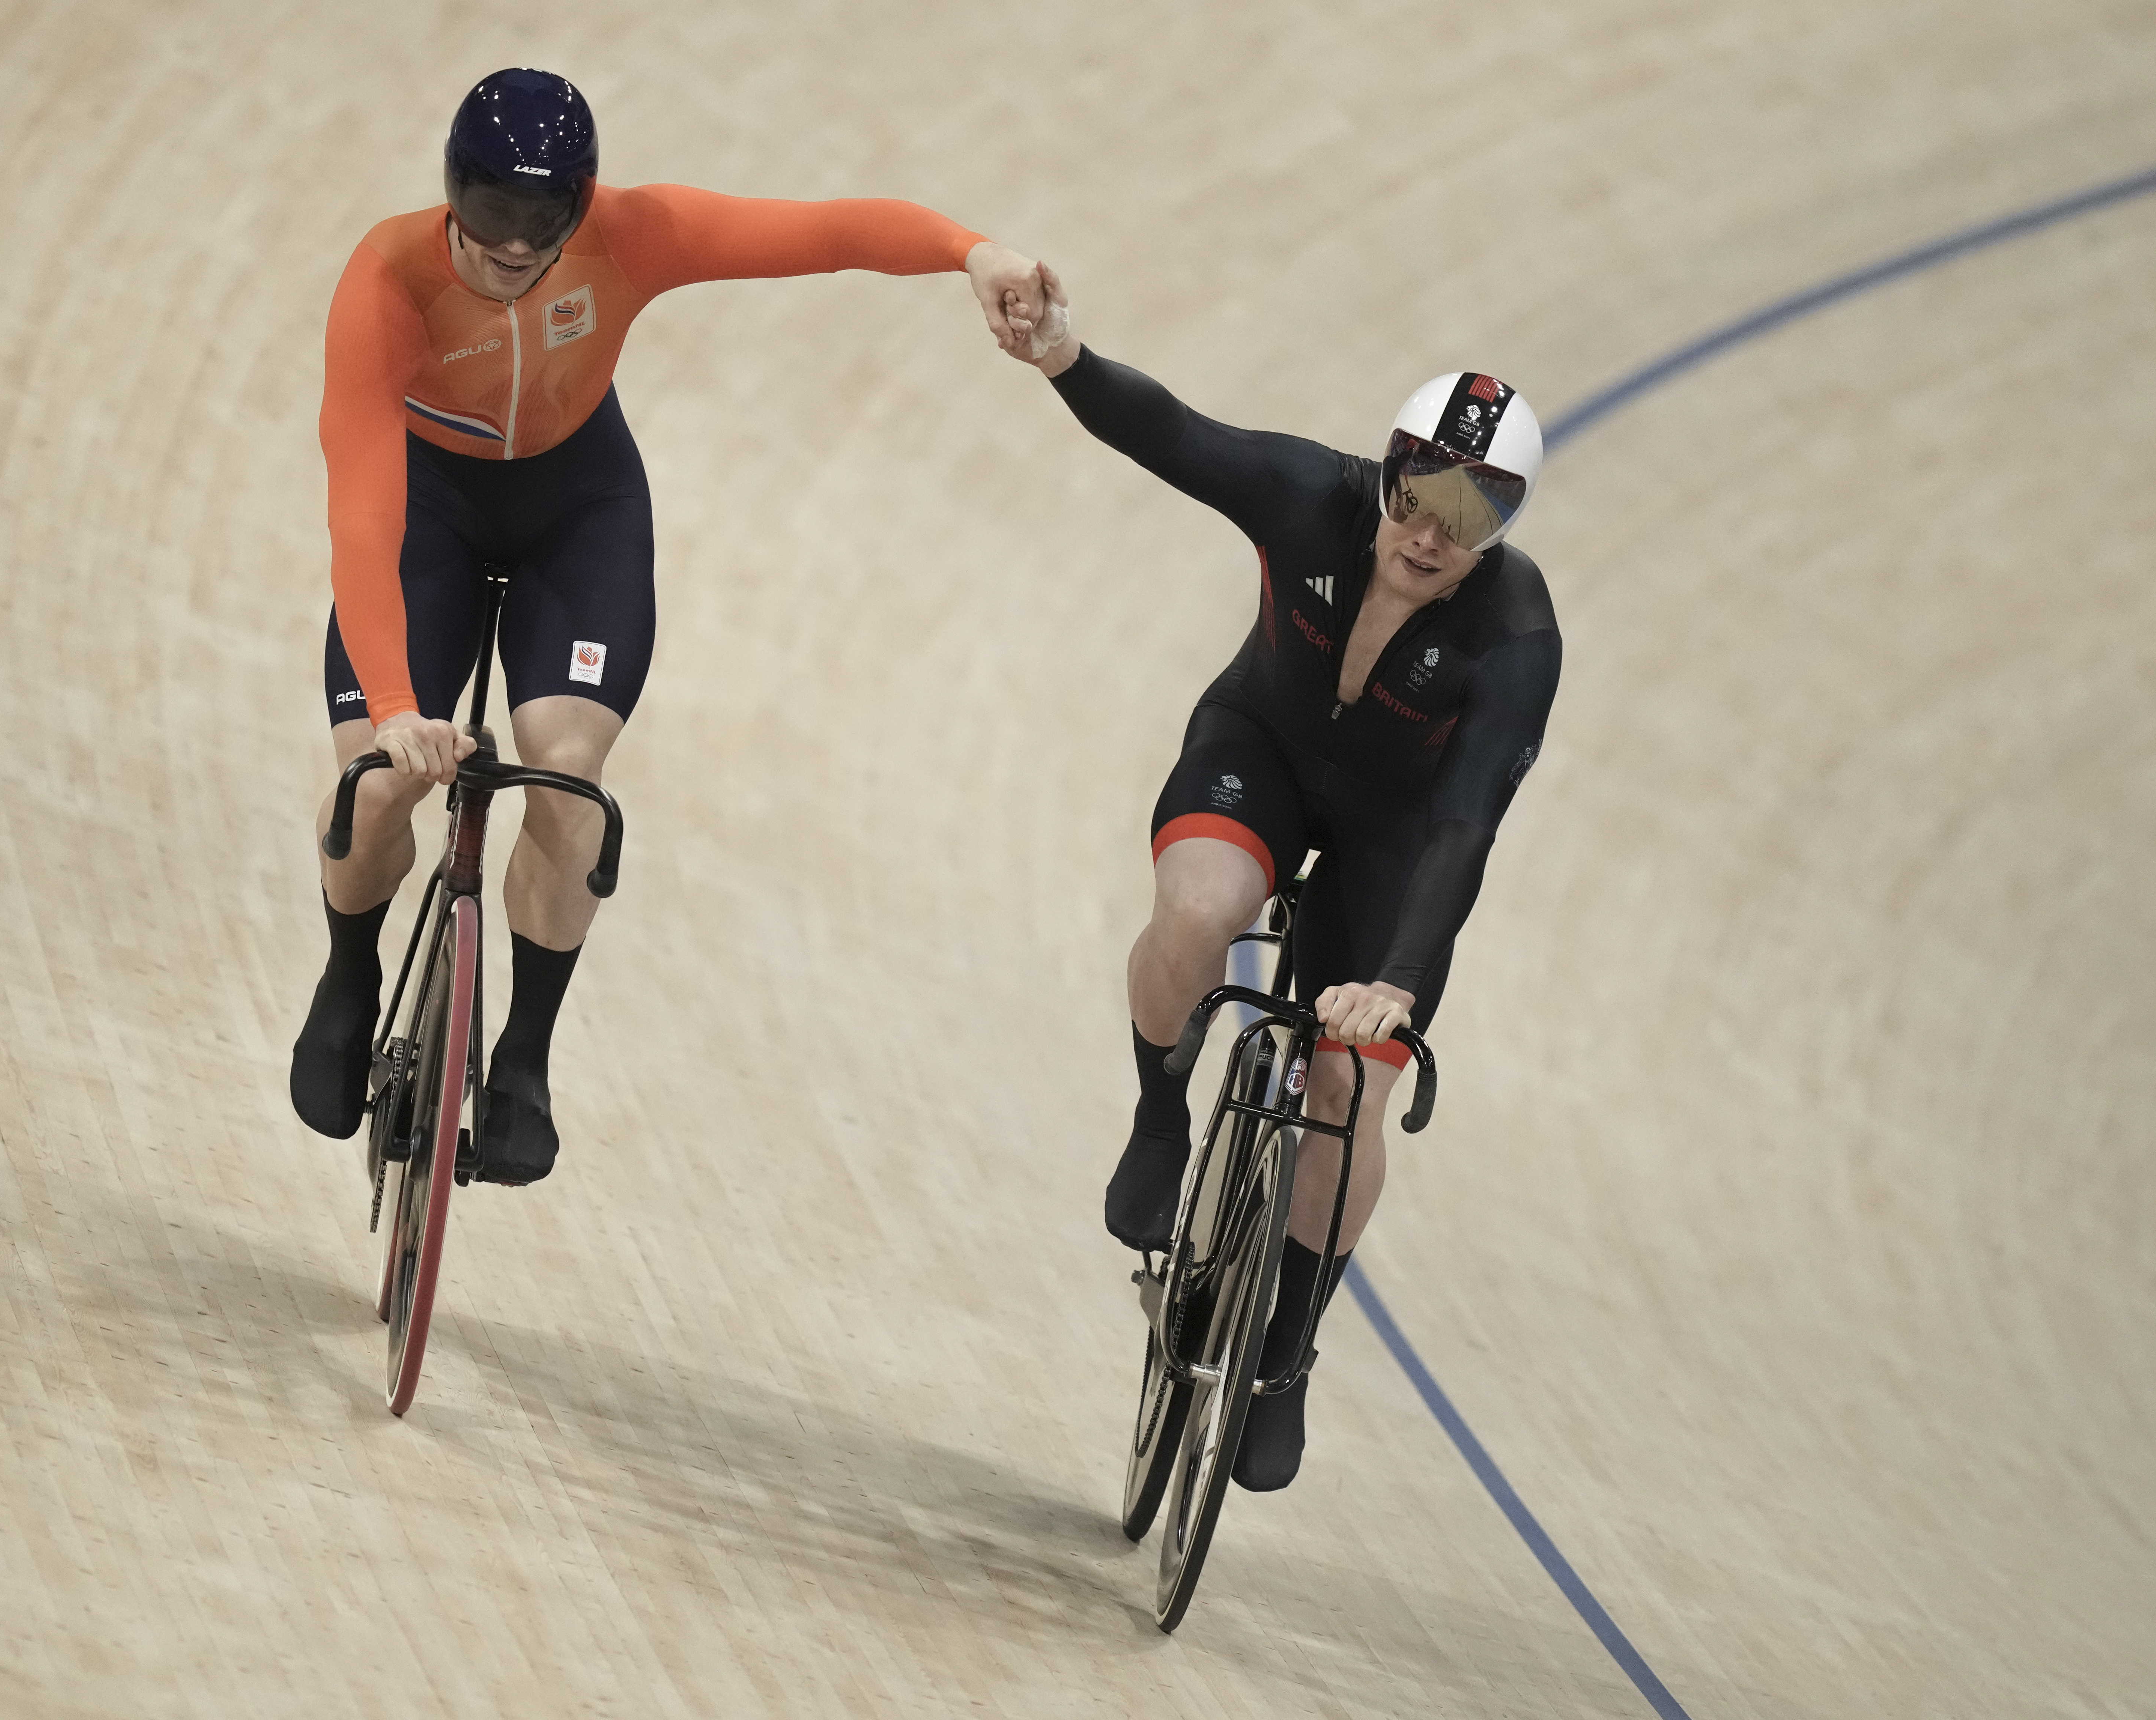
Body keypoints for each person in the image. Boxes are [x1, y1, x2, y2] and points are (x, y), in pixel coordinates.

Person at [293, 68, 1047, 1182]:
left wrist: (969, 250)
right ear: (453, 196)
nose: (514, 247)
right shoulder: (386, 280)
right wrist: (400, 713)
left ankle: (525, 1060)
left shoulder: (628, 236)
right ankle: (348, 973)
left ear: (581, 206)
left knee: (567, 785)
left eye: (541, 224)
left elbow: (823, 231)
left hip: (576, 512)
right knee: (374, 785)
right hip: (428, 515)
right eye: (493, 216)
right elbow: (362, 514)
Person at [1001, 266, 1559, 1491]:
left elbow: (1466, 823)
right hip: (1261, 748)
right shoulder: (1310, 497)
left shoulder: (1513, 637)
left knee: (1348, 1083)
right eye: (1418, 494)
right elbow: (1175, 436)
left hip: (1392, 835)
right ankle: (1159, 1113)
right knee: (1198, 913)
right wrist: (1062, 356)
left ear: (1502, 523)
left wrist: (1397, 988)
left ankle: (1284, 1352)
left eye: (1467, 518)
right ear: (1388, 467)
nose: (1428, 533)